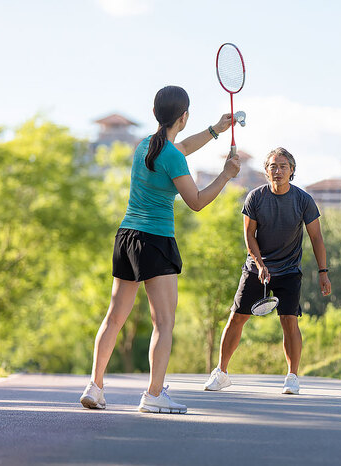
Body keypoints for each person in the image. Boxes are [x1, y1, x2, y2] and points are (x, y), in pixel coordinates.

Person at [80, 85, 240, 414]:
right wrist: (225, 175)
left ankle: (95, 387)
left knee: (113, 319)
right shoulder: (171, 156)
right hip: (155, 240)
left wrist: (215, 131)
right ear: (184, 116)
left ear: (157, 115)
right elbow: (195, 202)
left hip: (126, 238)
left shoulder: (144, 147)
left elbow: (179, 148)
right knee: (164, 323)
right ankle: (154, 394)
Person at [203, 147, 331, 395]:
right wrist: (260, 265)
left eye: (283, 166)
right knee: (236, 317)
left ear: (292, 171)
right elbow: (249, 235)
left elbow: (316, 237)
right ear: (266, 171)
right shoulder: (255, 197)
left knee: (289, 320)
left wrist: (323, 272)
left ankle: (292, 377)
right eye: (273, 166)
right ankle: (221, 372)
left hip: (289, 270)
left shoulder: (303, 200)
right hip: (256, 266)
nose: (278, 170)